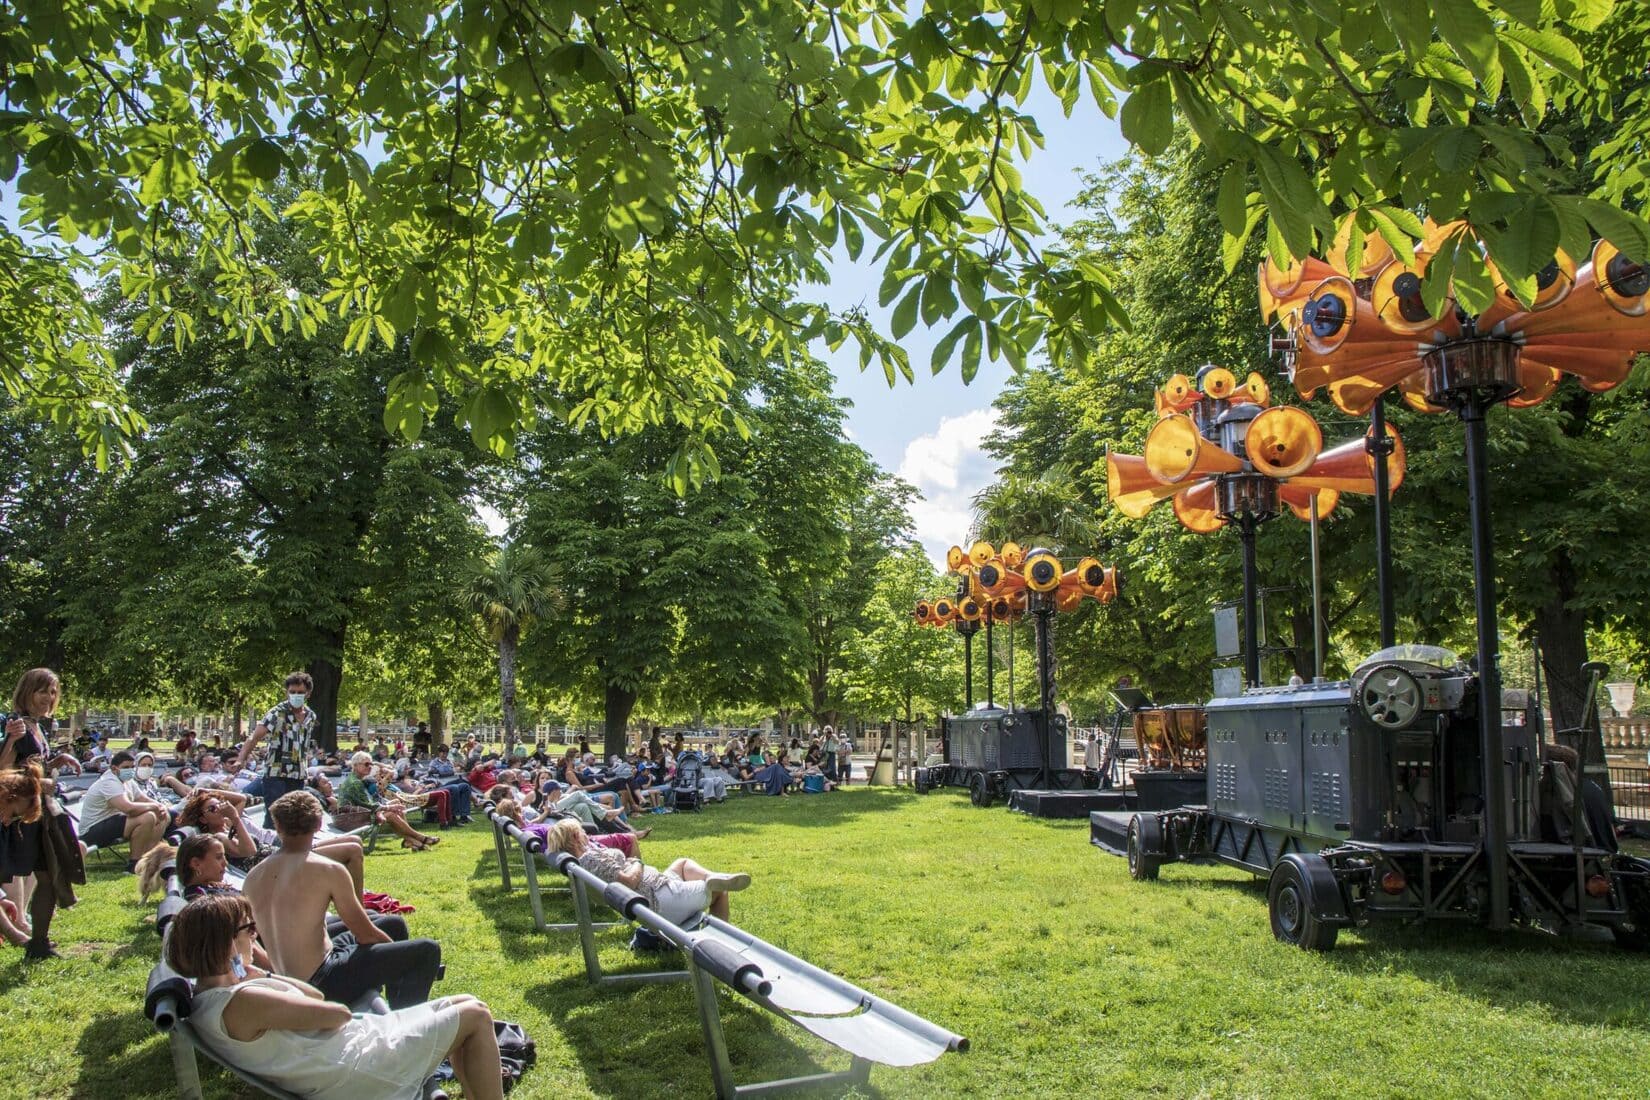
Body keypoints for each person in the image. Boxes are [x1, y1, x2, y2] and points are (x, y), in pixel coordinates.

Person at [166, 892, 504, 1100]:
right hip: (355, 1068)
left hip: (342, 1053)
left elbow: (314, 994)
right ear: (224, 943)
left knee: (465, 1004)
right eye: (249, 930)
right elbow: (335, 1013)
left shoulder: (214, 994)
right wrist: (259, 981)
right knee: (475, 1014)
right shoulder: (243, 1002)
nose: (255, 939)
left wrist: (262, 974)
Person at [244, 791, 442, 1009]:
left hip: (291, 975)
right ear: (319, 824)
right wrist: (399, 957)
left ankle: (392, 1002)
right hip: (323, 981)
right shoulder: (327, 869)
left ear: (278, 827)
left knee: (393, 923)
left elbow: (253, 938)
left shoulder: (254, 876)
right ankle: (406, 1020)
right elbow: (365, 934)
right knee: (426, 951)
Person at [542, 817, 749, 924]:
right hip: (657, 899)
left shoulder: (584, 861)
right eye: (582, 832)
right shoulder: (591, 859)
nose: (587, 835)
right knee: (720, 893)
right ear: (576, 838)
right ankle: (717, 945)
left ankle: (715, 877)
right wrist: (637, 863)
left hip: (654, 888)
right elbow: (628, 883)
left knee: (682, 863)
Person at [234, 672, 320, 826]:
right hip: (276, 772)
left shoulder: (310, 716)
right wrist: (240, 759)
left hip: (298, 773)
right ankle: (269, 846)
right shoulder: (276, 713)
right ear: (286, 692)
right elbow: (254, 737)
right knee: (274, 816)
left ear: (308, 693)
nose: (296, 695)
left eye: (300, 692)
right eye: (292, 692)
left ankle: (292, 848)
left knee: (295, 815)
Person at [77, 750, 171, 871]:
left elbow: (142, 798)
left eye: (132, 767)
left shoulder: (129, 781)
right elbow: (128, 808)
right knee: (148, 817)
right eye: (125, 767)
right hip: (92, 830)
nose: (130, 770)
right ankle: (133, 864)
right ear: (114, 768)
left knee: (163, 816)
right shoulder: (109, 782)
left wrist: (160, 806)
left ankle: (148, 859)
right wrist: (154, 807)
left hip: (113, 823)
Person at [338, 753, 441, 851]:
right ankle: (420, 838)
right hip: (351, 819)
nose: (370, 767)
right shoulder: (355, 782)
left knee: (396, 806)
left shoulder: (357, 779)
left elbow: (368, 803)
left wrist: (390, 806)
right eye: (366, 764)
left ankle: (411, 841)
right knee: (391, 813)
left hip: (358, 814)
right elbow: (370, 805)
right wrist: (389, 807)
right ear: (355, 765)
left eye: (371, 764)